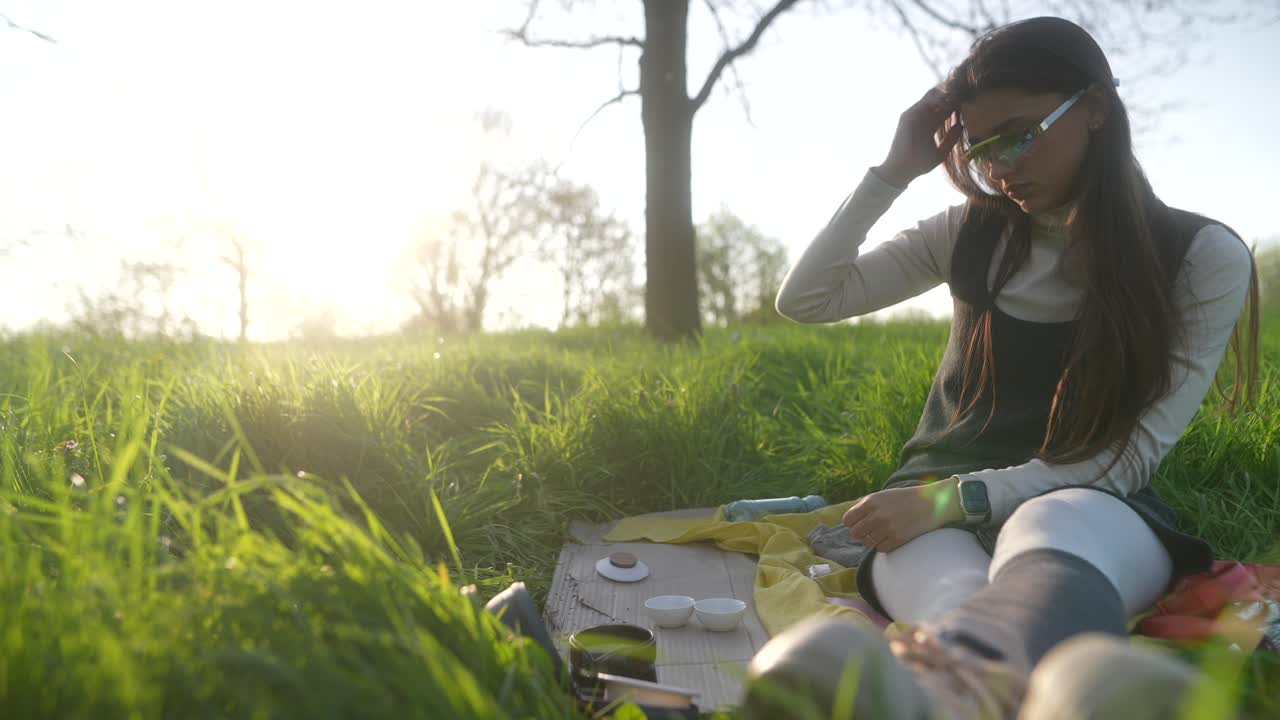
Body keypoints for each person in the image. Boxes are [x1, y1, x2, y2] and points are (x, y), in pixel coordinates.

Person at [764, 15, 1260, 719]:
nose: (999, 167)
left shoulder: (1200, 255)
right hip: (925, 510)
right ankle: (1062, 695)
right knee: (959, 599)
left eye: (1020, 134)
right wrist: (895, 170)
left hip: (1093, 507)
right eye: (981, 145)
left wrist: (952, 500)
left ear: (1093, 109)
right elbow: (807, 299)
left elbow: (1125, 460)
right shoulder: (969, 232)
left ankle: (935, 697)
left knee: (1046, 531)